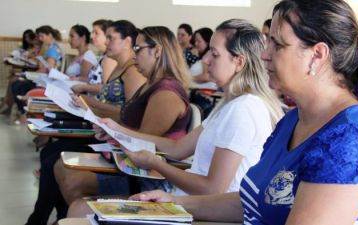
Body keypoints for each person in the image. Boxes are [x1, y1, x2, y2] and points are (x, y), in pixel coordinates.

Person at [128, 1, 358, 225]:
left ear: (317, 55)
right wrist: (174, 203)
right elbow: (256, 202)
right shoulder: (294, 119)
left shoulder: (352, 138)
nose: (264, 55)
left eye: (277, 45)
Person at [67, 18, 285, 218]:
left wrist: (155, 163)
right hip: (188, 201)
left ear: (239, 62)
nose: (206, 60)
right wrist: (117, 129)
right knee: (78, 206)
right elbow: (178, 148)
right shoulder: (231, 103)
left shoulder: (243, 109)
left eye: (214, 54)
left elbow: (213, 189)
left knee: (79, 210)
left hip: (204, 212)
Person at [55, 26, 192, 210]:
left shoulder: (166, 92)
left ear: (157, 51)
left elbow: (141, 143)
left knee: (72, 180)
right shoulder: (151, 85)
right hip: (130, 166)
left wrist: (114, 130)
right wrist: (109, 129)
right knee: (61, 167)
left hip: (147, 179)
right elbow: (131, 127)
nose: (134, 56)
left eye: (138, 49)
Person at [25, 20, 146, 225]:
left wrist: (89, 103)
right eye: (105, 37)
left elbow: (129, 116)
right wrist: (86, 106)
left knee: (51, 158)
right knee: (49, 154)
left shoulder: (132, 72)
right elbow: (108, 104)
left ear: (127, 41)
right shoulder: (119, 67)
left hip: (113, 141)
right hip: (102, 131)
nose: (106, 42)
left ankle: (44, 218)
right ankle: (58, 215)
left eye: (111, 38)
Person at [11, 25, 63, 124]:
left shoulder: (53, 49)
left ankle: (24, 114)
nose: (40, 39)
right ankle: (23, 113)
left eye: (41, 36)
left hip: (49, 81)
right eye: (39, 36)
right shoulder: (51, 47)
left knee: (18, 85)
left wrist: (26, 75)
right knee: (17, 82)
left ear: (49, 35)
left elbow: (48, 70)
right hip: (45, 78)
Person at [71, 19, 117, 95]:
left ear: (107, 35)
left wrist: (84, 87)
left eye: (96, 33)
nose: (92, 36)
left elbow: (106, 89)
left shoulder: (109, 59)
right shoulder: (104, 55)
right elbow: (96, 80)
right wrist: (78, 79)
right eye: (92, 33)